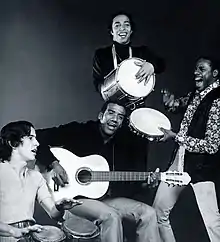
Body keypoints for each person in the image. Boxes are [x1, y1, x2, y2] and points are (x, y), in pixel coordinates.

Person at [36, 100, 160, 242]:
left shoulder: (123, 144)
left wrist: (147, 184)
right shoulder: (79, 131)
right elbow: (38, 138)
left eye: (120, 117)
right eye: (111, 113)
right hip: (74, 200)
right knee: (111, 216)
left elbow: (131, 186)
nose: (114, 119)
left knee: (148, 213)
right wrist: (54, 164)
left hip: (106, 199)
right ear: (101, 115)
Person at [153, 56, 220, 242]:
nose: (196, 72)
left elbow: (212, 145)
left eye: (201, 69)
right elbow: (178, 105)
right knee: (158, 212)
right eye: (195, 68)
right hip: (180, 159)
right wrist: (169, 102)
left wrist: (176, 137)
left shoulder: (217, 100)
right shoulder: (196, 94)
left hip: (202, 167)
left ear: (214, 74)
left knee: (212, 223)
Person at [0, 121, 82, 242]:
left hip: (30, 236)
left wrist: (60, 207)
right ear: (13, 143)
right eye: (31, 138)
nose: (37, 143)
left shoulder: (36, 177)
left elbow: (53, 214)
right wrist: (13, 231)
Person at [93, 11, 165, 93]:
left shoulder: (141, 52)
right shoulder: (101, 54)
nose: (122, 28)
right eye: (117, 25)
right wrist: (111, 99)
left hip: (138, 103)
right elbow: (98, 84)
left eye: (126, 25)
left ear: (131, 30)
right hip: (112, 103)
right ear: (111, 31)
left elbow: (162, 64)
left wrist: (152, 66)